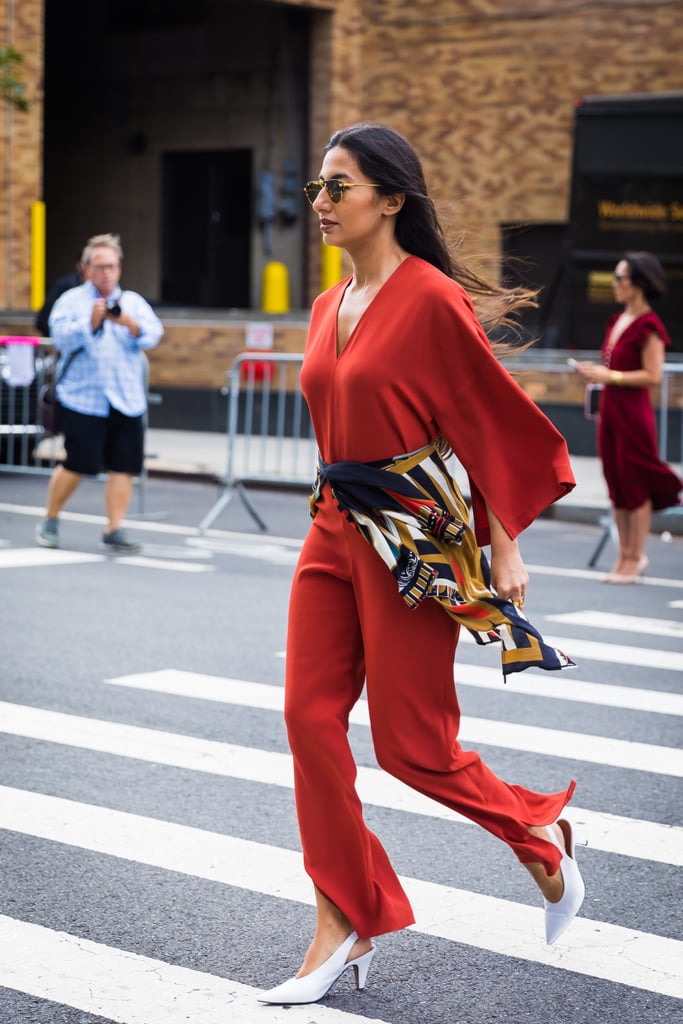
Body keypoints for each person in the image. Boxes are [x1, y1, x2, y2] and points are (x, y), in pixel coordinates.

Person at [259, 123, 584, 1007]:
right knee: (307, 718)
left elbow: (485, 419)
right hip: (332, 529)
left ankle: (536, 831)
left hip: (409, 545)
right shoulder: (328, 306)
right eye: (318, 188)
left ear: (389, 200)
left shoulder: (431, 298)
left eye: (337, 187)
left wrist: (502, 543)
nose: (319, 203)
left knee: (411, 746)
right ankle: (343, 918)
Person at [35, 233, 163, 552]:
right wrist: (89, 324)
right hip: (83, 398)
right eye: (100, 266)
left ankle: (114, 527)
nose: (106, 273)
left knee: (124, 466)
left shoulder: (131, 301)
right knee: (79, 462)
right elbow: (59, 337)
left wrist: (128, 323)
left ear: (120, 268)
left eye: (112, 266)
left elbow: (154, 334)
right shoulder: (71, 300)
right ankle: (50, 518)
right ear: (86, 268)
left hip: (126, 398)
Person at [574, 251, 682, 583]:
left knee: (635, 485)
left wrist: (610, 377)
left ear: (638, 284)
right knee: (617, 484)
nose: (615, 284)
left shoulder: (649, 325)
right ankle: (622, 557)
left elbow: (652, 374)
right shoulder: (616, 320)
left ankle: (636, 558)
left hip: (633, 415)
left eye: (620, 278)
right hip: (610, 412)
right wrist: (596, 374)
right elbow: (611, 368)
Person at [34, 256, 87, 337]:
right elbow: (45, 317)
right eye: (99, 267)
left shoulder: (107, 292)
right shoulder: (67, 289)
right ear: (81, 266)